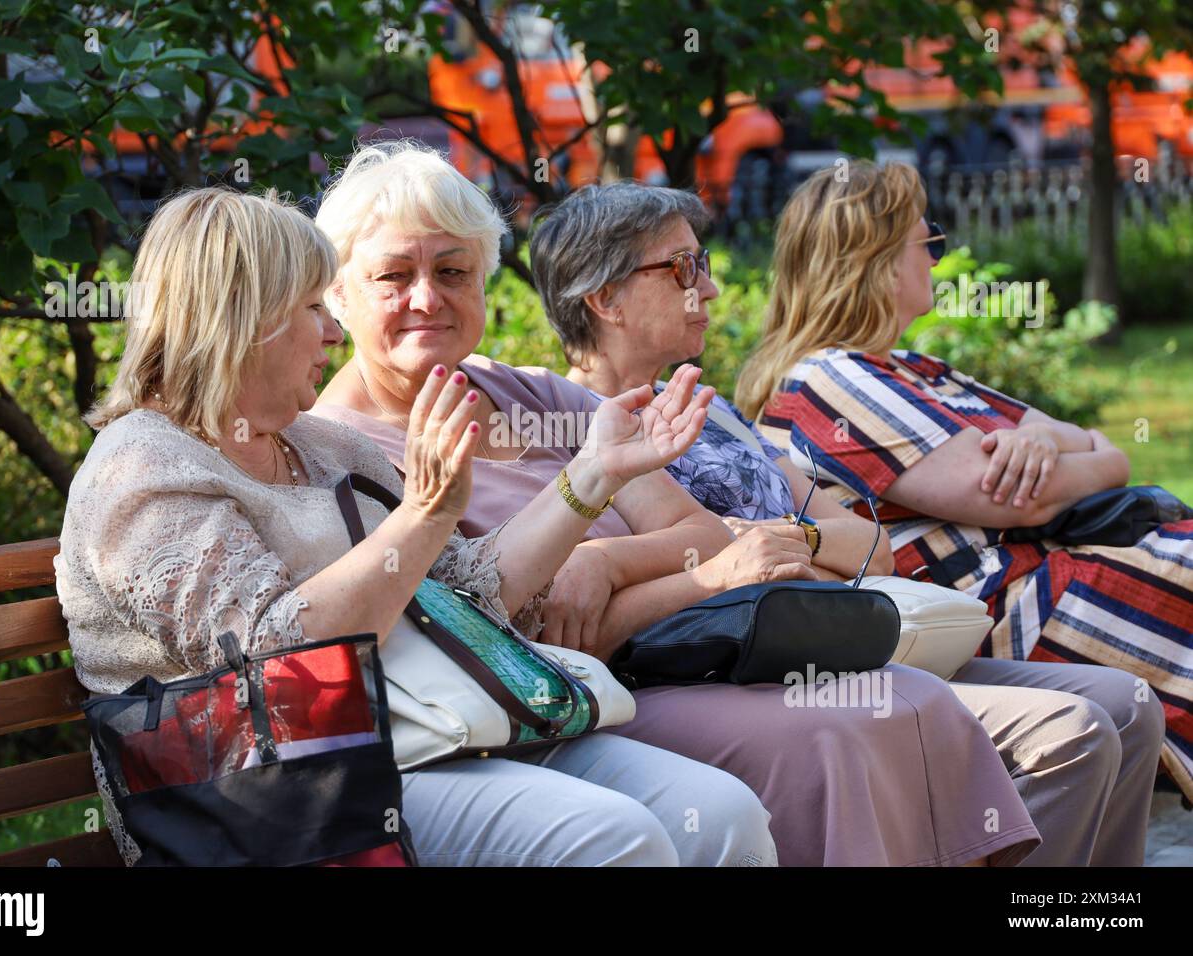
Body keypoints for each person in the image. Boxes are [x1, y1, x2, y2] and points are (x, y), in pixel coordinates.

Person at [311, 140, 1043, 866]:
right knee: (838, 730)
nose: (427, 298)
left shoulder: (530, 393)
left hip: (677, 655)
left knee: (914, 700)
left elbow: (697, 529)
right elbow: (517, 634)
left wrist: (602, 561)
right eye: (392, 276)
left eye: (452, 271)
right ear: (339, 294)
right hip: (579, 700)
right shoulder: (341, 449)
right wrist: (696, 580)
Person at [54, 185, 778, 868]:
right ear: (244, 322)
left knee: (721, 813)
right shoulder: (144, 469)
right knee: (610, 839)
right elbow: (272, 660)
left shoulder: (323, 445)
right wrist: (425, 514)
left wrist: (593, 476)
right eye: (313, 307)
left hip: (438, 726)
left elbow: (466, 592)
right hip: (280, 788)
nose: (333, 333)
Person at [526, 177, 1169, 866]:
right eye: (685, 268)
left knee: (1127, 705)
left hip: (848, 638)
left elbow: (874, 548)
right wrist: (740, 553)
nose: (709, 289)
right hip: (755, 672)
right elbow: (635, 588)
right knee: (1072, 728)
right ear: (604, 299)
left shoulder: (715, 415)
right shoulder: (566, 431)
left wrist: (788, 539)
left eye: (704, 264)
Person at [735, 159, 1189, 807]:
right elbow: (1013, 494)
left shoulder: (915, 369)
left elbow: (1103, 454)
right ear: (883, 263)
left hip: (1039, 577)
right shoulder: (828, 379)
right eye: (931, 242)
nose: (939, 260)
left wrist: (1045, 443)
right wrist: (1072, 454)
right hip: (988, 610)